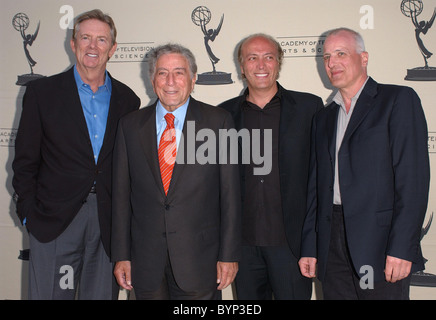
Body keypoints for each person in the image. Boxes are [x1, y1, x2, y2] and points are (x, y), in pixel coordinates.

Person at [12, 9, 140, 299]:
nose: (92, 46)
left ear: (113, 48)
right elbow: (24, 162)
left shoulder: (128, 99)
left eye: (101, 39)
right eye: (85, 38)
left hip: (108, 224)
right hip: (54, 221)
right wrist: (29, 215)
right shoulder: (42, 93)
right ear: (73, 43)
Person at [299, 27, 430, 299]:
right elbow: (316, 189)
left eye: (341, 54)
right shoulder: (323, 118)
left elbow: (412, 182)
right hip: (331, 241)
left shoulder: (397, 100)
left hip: (380, 243)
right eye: (326, 57)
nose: (332, 63)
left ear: (364, 58)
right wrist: (311, 246)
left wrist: (402, 248)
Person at [111, 43, 241, 300]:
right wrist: (121, 255)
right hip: (145, 263)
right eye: (162, 73)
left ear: (193, 79)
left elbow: (230, 196)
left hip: (200, 261)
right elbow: (121, 197)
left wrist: (228, 255)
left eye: (179, 72)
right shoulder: (130, 126)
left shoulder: (218, 122)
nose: (170, 81)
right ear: (151, 79)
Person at [218, 33, 323, 300]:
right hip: (243, 247)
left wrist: (313, 243)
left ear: (279, 63)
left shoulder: (309, 108)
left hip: (292, 245)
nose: (261, 65)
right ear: (242, 67)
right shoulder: (222, 116)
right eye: (252, 58)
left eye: (269, 57)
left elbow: (320, 179)